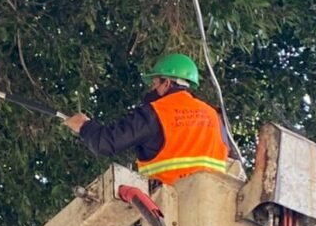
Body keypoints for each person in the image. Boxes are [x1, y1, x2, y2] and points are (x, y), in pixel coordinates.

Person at [63, 53, 230, 185]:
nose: (152, 88)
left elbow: (105, 143)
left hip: (169, 208)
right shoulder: (214, 116)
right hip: (214, 207)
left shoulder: (157, 112)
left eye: (155, 83)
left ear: (167, 83)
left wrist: (84, 126)